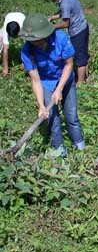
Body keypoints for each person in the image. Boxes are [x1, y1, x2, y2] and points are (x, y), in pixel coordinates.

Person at [20, 13, 85, 155]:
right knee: (52, 119)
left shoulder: (60, 38)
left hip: (65, 80)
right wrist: (41, 105)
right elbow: (36, 80)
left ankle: (80, 148)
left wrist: (60, 89)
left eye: (37, 39)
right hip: (46, 83)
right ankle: (59, 152)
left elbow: (69, 65)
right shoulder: (27, 51)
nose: (34, 42)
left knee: (71, 116)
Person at [42, 0, 89, 84]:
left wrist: (51, 27)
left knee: (79, 58)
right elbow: (65, 11)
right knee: (83, 54)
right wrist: (52, 17)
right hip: (83, 26)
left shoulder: (65, 3)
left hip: (78, 31)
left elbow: (65, 24)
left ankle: (80, 83)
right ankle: (86, 77)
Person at [1, 12, 26, 76]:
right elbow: (5, 51)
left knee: (29, 44)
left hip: (21, 16)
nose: (14, 38)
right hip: (9, 16)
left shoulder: (25, 27)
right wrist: (5, 68)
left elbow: (29, 46)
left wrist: (25, 62)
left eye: (15, 36)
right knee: (1, 38)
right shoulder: (6, 30)